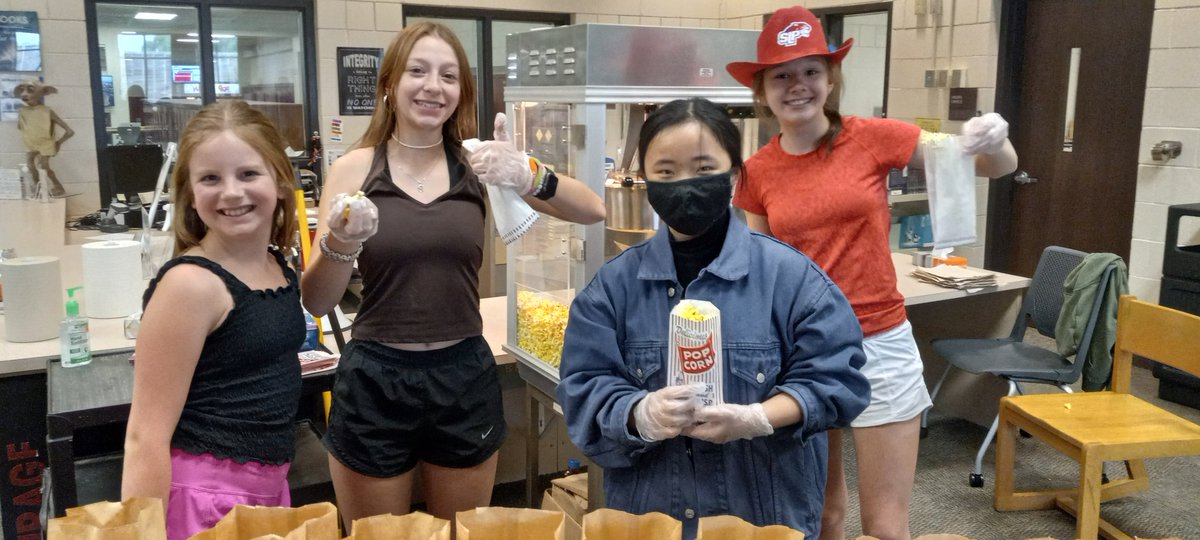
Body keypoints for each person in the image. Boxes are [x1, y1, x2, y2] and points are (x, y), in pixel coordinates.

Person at [725, 6, 1019, 540]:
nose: (798, 86)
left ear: (831, 79)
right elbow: (763, 266)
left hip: (879, 342)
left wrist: (993, 141)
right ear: (762, 89)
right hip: (804, 350)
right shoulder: (757, 172)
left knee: (886, 525)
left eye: (811, 71)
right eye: (782, 75)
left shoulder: (873, 137)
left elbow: (992, 167)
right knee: (822, 515)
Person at [299, 21, 605, 532]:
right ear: (390, 83)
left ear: (461, 90)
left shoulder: (479, 164)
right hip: (376, 376)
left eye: (448, 75)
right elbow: (315, 299)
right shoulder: (355, 169)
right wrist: (340, 243)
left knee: (463, 532)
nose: (432, 87)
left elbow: (592, 208)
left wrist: (529, 173)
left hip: (462, 374)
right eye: (417, 71)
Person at [556, 97, 871, 540]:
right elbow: (582, 391)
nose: (684, 185)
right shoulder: (613, 289)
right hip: (651, 519)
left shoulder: (792, 278)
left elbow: (841, 382)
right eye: (665, 172)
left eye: (704, 169)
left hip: (762, 517)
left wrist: (758, 418)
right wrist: (638, 413)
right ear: (645, 180)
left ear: (735, 175)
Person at [121, 100, 303, 540]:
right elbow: (145, 438)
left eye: (247, 174)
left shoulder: (277, 265)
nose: (231, 193)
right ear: (189, 193)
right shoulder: (191, 285)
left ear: (280, 181)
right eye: (210, 178)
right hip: (202, 503)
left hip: (268, 492)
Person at [15, 78, 74, 197]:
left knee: (44, 167)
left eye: (30, 90)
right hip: (30, 144)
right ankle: (39, 190)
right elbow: (22, 128)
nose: (24, 94)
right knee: (30, 166)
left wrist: (58, 143)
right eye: (22, 90)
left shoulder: (47, 111)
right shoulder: (23, 111)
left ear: (42, 92)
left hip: (45, 144)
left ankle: (58, 187)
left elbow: (69, 131)